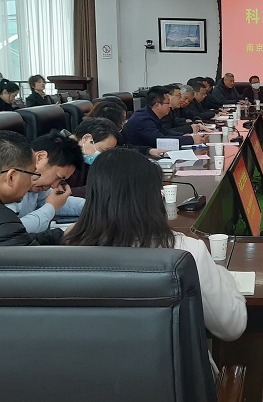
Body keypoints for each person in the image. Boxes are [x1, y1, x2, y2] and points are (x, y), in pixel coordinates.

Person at [64, 148, 247, 345]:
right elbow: (232, 326)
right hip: (172, 364)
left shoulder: (69, 246)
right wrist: (222, 275)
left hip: (88, 363)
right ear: (153, 198)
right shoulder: (186, 251)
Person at [7, 132, 85, 233]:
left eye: (61, 181)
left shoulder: (36, 186)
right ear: (40, 157)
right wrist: (50, 208)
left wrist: (93, 208)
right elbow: (12, 229)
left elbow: (56, 201)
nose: (55, 185)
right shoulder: (9, 187)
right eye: (57, 177)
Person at [0, 131, 66, 246]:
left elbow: (19, 238)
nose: (32, 181)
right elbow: (33, 256)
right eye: (31, 174)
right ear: (11, 177)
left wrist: (61, 235)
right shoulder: (5, 220)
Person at [122, 86, 206, 148]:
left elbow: (165, 131)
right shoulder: (143, 119)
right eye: (167, 103)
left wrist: (183, 136)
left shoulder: (151, 114)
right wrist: (191, 140)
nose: (170, 105)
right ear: (157, 105)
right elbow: (159, 140)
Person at [87, 100, 166, 158]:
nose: (124, 123)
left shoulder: (119, 133)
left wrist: (149, 150)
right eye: (123, 120)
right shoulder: (96, 135)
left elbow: (124, 147)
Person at [66, 118, 121, 198]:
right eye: (103, 151)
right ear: (86, 139)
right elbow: (59, 193)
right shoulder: (58, 156)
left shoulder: (85, 157)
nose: (105, 156)